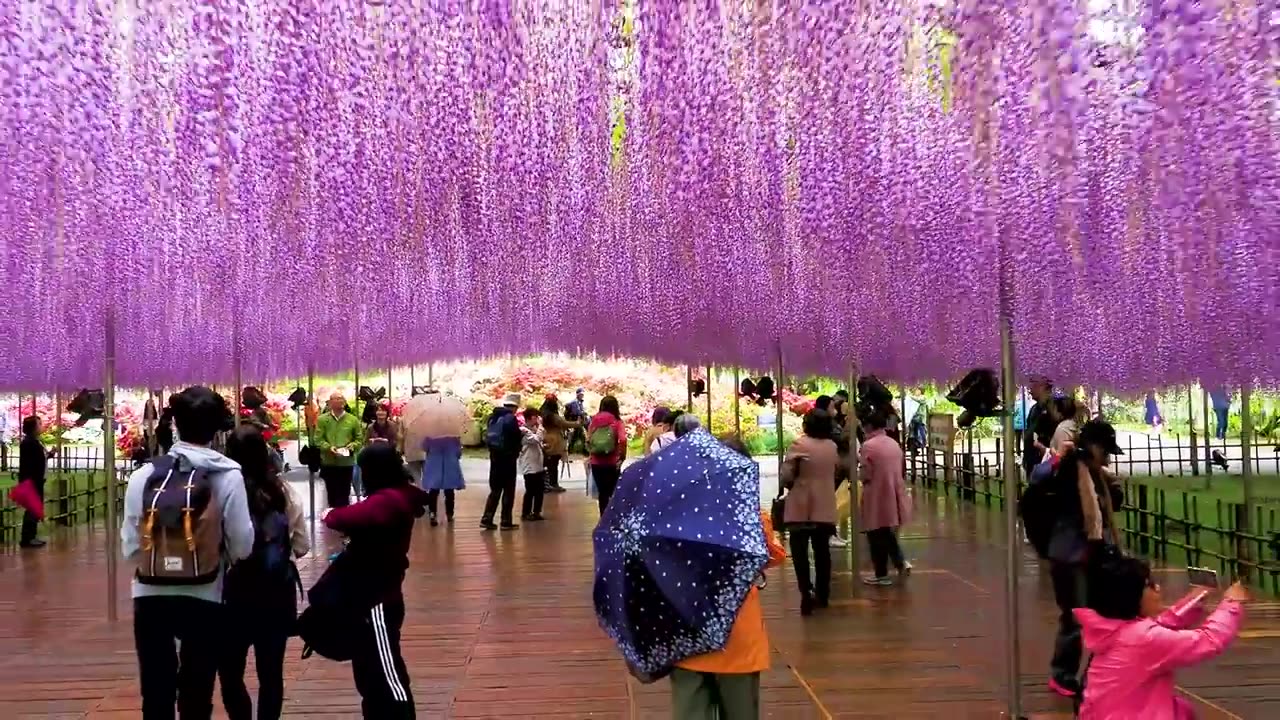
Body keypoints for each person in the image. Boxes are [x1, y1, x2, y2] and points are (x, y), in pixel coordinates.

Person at [121, 385, 254, 720]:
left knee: (155, 688)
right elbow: (242, 544)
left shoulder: (145, 474)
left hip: (149, 592)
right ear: (216, 428)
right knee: (197, 689)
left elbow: (130, 547)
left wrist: (163, 554)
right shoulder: (228, 475)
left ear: (175, 424)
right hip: (205, 592)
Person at [670, 436, 787, 720]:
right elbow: (774, 555)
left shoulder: (678, 515)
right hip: (738, 638)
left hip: (688, 633)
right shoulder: (749, 517)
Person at [320, 443, 428, 719]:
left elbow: (345, 517)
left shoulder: (388, 500)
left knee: (387, 671)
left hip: (378, 599)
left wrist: (328, 514)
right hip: (370, 594)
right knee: (368, 670)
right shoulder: (397, 494)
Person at [1076, 556, 1246, 719]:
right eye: (1149, 585)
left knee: (1181, 709)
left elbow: (1161, 624)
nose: (1157, 588)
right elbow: (1208, 640)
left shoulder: (1113, 628)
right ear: (1132, 594)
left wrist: (1194, 601)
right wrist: (1231, 603)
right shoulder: (1143, 639)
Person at [218, 425, 310, 720]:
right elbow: (302, 546)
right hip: (276, 593)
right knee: (271, 673)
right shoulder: (284, 491)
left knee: (230, 671)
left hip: (232, 593)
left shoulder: (220, 492)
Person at [1039, 419, 1126, 699]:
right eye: (1106, 450)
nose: (1109, 456)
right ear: (1093, 446)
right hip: (1069, 554)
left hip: (1089, 554)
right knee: (1075, 616)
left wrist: (1110, 486)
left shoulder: (1095, 473)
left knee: (1104, 614)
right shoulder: (1070, 467)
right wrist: (1061, 458)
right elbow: (1040, 479)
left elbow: (1108, 508)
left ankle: (1097, 674)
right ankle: (1062, 675)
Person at [781, 409, 840, 616]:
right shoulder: (832, 447)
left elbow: (786, 475)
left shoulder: (800, 445)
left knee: (799, 553)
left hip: (800, 506)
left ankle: (805, 592)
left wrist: (790, 483)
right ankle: (823, 594)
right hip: (824, 505)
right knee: (822, 552)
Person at [859, 408, 913, 586]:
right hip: (894, 492)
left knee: (875, 534)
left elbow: (866, 474)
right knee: (887, 531)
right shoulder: (893, 443)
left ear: (868, 426)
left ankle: (881, 573)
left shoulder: (868, 446)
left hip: (876, 495)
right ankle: (899, 562)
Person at [481, 393, 524, 530]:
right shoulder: (510, 419)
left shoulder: (493, 418)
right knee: (508, 490)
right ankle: (506, 521)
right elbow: (515, 437)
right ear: (515, 407)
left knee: (495, 490)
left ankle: (487, 518)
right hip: (508, 459)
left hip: (495, 458)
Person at [316, 392, 363, 509]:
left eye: (341, 398)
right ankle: (333, 514)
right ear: (330, 403)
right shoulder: (322, 420)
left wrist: (352, 445)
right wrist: (328, 447)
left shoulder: (353, 420)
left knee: (345, 489)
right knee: (331, 491)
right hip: (328, 461)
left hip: (346, 462)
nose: (339, 401)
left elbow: (359, 439)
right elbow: (318, 439)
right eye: (336, 399)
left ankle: (343, 515)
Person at [586, 395, 627, 514]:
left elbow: (588, 439)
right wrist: (621, 456)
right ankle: (613, 518)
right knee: (613, 492)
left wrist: (592, 452)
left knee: (602, 493)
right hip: (612, 462)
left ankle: (603, 517)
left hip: (596, 463)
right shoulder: (617, 421)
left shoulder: (594, 421)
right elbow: (623, 440)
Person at [18, 415, 53, 548]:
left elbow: (39, 460)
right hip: (31, 482)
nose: (41, 426)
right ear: (33, 427)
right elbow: (30, 464)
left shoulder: (35, 442)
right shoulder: (29, 443)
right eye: (39, 424)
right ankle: (27, 538)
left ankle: (31, 536)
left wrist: (49, 455)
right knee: (32, 509)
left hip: (37, 480)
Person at [420, 435, 465, 526]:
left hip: (434, 464)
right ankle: (449, 514)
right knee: (449, 491)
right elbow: (458, 453)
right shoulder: (454, 437)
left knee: (433, 490)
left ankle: (432, 513)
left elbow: (424, 448)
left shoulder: (430, 435)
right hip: (450, 464)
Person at [539, 395, 581, 494]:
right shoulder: (553, 416)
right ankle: (553, 484)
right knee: (553, 464)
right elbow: (565, 424)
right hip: (555, 441)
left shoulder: (542, 415)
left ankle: (546, 484)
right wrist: (578, 422)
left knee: (547, 463)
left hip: (545, 439)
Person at [1022, 376, 1056, 479]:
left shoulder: (1054, 409)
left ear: (1043, 386)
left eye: (1034, 384)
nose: (1030, 389)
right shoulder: (1034, 409)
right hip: (1032, 460)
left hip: (1046, 461)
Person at [518, 408, 547, 522]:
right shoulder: (523, 430)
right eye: (536, 417)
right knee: (530, 490)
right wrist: (540, 427)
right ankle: (526, 513)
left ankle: (536, 511)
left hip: (538, 465)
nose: (538, 419)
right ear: (530, 418)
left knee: (540, 490)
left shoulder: (534, 429)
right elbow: (536, 439)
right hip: (529, 466)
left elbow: (540, 438)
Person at [564, 387, 589, 454]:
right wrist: (583, 413)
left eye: (583, 394)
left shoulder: (579, 402)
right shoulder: (574, 403)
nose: (582, 395)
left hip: (577, 422)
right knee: (577, 436)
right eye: (581, 394)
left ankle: (573, 450)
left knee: (578, 436)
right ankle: (579, 450)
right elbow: (576, 412)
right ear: (577, 394)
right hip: (574, 422)